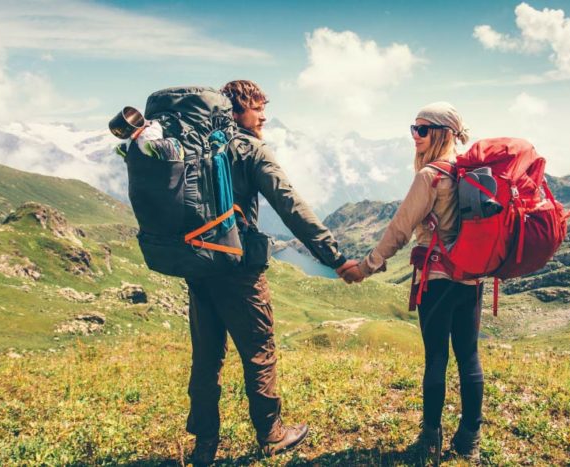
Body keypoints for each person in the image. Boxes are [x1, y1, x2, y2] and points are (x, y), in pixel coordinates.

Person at [187, 79, 360, 465]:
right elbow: (290, 205)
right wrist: (334, 257)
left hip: (198, 268)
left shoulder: (194, 148)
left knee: (207, 357)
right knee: (260, 352)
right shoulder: (248, 150)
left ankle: (203, 444)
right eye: (256, 107)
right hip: (238, 272)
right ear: (234, 111)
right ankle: (272, 434)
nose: (264, 114)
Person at [347, 102, 484, 465]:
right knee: (468, 355)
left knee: (436, 357)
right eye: (413, 129)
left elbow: (400, 228)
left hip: (436, 280)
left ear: (440, 133)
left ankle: (430, 436)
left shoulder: (431, 176)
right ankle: (470, 436)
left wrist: (368, 266)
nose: (415, 136)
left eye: (422, 130)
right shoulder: (468, 172)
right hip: (471, 278)